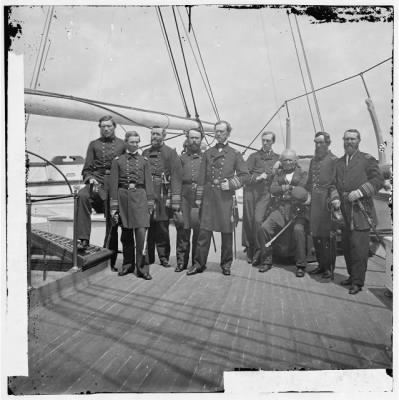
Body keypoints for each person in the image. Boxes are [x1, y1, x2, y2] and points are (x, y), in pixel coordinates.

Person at [187, 120, 249, 276]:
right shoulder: (208, 153)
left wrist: (231, 184)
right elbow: (201, 178)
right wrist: (198, 201)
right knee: (204, 232)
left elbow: (245, 176)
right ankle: (198, 264)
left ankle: (226, 264)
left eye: (222, 131)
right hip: (209, 198)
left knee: (227, 233)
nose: (218, 134)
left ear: (228, 133)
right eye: (217, 131)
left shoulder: (235, 154)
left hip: (225, 199)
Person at [336, 129, 383, 294]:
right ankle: (351, 275)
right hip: (344, 210)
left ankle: (358, 282)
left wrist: (361, 191)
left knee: (360, 249)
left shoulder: (367, 160)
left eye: (353, 139)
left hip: (361, 211)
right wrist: (334, 198)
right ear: (343, 140)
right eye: (347, 139)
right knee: (347, 246)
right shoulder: (339, 162)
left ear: (359, 140)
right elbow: (334, 185)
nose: (349, 142)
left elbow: (378, 180)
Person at [76, 115, 125, 271]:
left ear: (114, 127)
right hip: (96, 181)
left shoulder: (122, 145)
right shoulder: (93, 145)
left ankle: (110, 261)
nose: (106, 129)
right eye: (103, 126)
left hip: (114, 183)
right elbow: (86, 169)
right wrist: (90, 179)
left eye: (109, 126)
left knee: (112, 219)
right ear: (100, 127)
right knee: (82, 195)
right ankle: (83, 239)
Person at [257, 149, 309, 277]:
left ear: (295, 160)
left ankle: (301, 265)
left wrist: (290, 190)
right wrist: (287, 188)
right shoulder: (278, 174)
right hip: (280, 209)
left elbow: (302, 191)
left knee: (298, 231)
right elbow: (273, 189)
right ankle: (267, 261)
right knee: (265, 227)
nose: (288, 162)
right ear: (281, 162)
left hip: (297, 211)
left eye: (290, 159)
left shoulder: (303, 173)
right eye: (285, 160)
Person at [110, 131, 154, 280]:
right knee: (126, 235)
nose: (135, 144)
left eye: (137, 142)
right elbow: (114, 185)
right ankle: (128, 265)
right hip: (124, 199)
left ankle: (142, 269)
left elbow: (149, 183)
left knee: (142, 235)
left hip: (140, 198)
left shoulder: (144, 161)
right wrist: (114, 207)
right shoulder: (118, 161)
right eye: (132, 142)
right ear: (126, 142)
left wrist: (150, 203)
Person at [142, 126, 182, 267]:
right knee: (148, 224)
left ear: (163, 136)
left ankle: (164, 256)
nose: (154, 136)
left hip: (163, 193)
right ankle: (148, 256)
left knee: (162, 226)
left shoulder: (171, 153)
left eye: (157, 134)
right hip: (148, 192)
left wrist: (174, 199)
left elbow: (176, 176)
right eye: (152, 134)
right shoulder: (145, 152)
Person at [241, 131, 279, 265]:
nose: (265, 143)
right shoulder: (253, 156)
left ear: (273, 142)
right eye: (263, 140)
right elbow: (244, 176)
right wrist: (257, 177)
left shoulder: (278, 158)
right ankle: (251, 249)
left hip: (265, 194)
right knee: (249, 221)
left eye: (268, 140)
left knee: (258, 221)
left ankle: (258, 251)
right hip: (251, 192)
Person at [306, 132, 340, 280]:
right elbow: (309, 182)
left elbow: (336, 184)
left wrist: (334, 199)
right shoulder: (313, 161)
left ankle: (329, 268)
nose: (318, 145)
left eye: (321, 143)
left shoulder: (334, 160)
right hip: (314, 202)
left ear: (328, 144)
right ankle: (320, 265)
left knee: (327, 238)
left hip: (326, 203)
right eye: (316, 142)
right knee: (316, 235)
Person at [175, 129, 203, 272]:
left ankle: (197, 263)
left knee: (198, 232)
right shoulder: (181, 159)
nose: (194, 141)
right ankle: (181, 262)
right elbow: (176, 180)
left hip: (200, 197)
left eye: (196, 138)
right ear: (187, 140)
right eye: (191, 138)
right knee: (183, 230)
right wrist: (176, 201)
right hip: (184, 196)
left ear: (201, 140)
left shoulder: (205, 159)